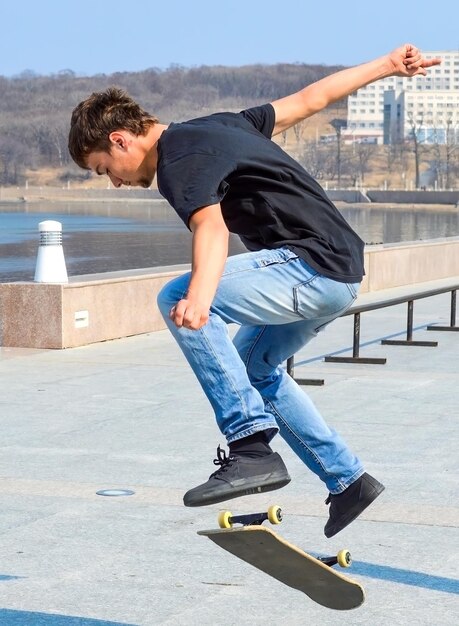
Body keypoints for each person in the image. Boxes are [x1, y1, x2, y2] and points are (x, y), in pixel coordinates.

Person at [68, 44, 440, 537]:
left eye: (103, 170)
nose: (114, 183)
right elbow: (312, 98)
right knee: (253, 366)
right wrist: (388, 66)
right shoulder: (224, 125)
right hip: (339, 270)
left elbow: (212, 229)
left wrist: (200, 298)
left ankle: (249, 447)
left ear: (120, 140)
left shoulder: (178, 161)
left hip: (309, 267)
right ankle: (347, 479)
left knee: (174, 296)